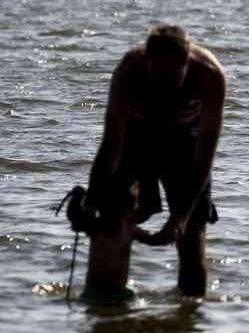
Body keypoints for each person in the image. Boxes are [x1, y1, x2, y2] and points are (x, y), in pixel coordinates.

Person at [80, 24, 226, 301]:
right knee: (110, 216)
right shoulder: (128, 71)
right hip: (136, 133)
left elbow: (204, 156)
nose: (162, 87)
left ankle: (188, 312)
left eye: (170, 78)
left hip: (186, 140)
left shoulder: (210, 76)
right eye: (156, 76)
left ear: (187, 64)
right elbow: (111, 145)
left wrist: (180, 217)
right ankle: (106, 307)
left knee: (192, 235)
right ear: (146, 62)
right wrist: (92, 201)